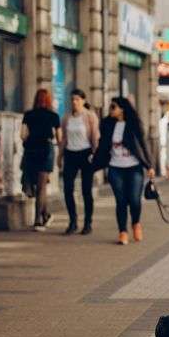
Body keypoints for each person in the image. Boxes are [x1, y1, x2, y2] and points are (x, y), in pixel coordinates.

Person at [92, 97, 154, 245]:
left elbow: (143, 145)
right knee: (120, 201)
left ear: (122, 109)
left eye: (114, 107)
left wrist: (150, 165)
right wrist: (94, 162)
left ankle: (136, 223)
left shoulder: (133, 124)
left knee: (134, 200)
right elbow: (102, 146)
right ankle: (123, 232)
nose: (111, 109)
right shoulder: (107, 124)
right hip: (115, 168)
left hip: (134, 167)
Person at [21, 88, 62, 231]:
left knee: (37, 186)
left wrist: (30, 139)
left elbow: (22, 135)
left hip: (31, 150)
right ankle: (38, 220)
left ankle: (45, 215)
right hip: (46, 149)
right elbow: (59, 137)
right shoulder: (53, 116)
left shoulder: (28, 115)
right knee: (42, 186)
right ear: (48, 100)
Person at [59, 89, 98, 235]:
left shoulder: (89, 116)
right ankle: (73, 221)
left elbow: (94, 136)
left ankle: (88, 223)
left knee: (86, 190)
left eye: (77, 99)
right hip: (70, 154)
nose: (74, 102)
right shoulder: (66, 118)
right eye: (72, 99)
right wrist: (59, 156)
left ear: (83, 100)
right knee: (68, 189)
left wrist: (95, 154)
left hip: (86, 153)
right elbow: (63, 138)